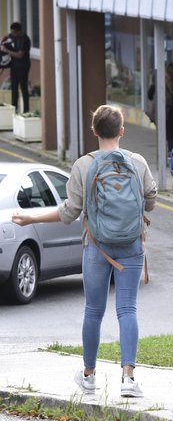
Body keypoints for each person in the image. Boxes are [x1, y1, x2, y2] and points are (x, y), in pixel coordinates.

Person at [12, 105, 157, 397]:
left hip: (96, 246)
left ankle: (89, 374)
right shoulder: (137, 162)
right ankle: (128, 379)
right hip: (131, 245)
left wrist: (32, 217)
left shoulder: (82, 165)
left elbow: (69, 212)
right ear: (122, 131)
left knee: (93, 310)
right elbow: (151, 200)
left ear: (94, 131)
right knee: (127, 309)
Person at [3, 22, 32, 114]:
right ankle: (14, 109)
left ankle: (26, 110)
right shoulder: (13, 35)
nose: (13, 34)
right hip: (14, 65)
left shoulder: (25, 40)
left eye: (14, 32)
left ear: (19, 31)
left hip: (23, 66)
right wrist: (2, 41)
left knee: (23, 88)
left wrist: (6, 50)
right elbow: (7, 36)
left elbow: (20, 55)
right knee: (14, 88)